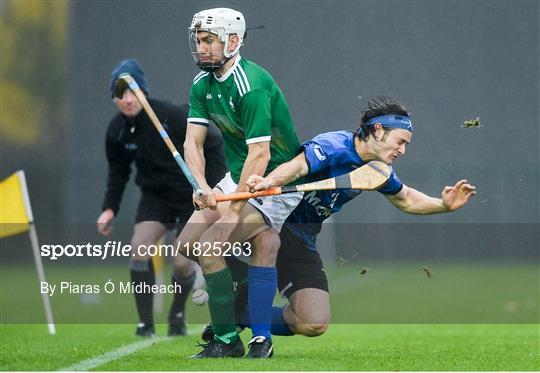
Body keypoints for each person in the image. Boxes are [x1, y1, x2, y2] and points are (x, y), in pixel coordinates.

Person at [227, 96, 475, 337]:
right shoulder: (334, 145)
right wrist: (269, 180)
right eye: (400, 142)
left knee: (313, 322)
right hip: (272, 223)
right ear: (378, 130)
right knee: (204, 246)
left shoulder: (377, 170)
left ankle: (238, 315)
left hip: (302, 239)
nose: (403, 150)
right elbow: (299, 165)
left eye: (406, 144)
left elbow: (407, 199)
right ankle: (231, 317)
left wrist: (443, 204)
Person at [177, 8, 302, 358]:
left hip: (272, 180)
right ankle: (245, 284)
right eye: (198, 41)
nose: (201, 48)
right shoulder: (202, 85)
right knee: (187, 245)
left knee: (211, 248)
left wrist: (231, 212)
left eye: (208, 41)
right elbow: (192, 144)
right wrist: (200, 185)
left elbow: (261, 154)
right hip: (239, 175)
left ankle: (227, 340)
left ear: (232, 41)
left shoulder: (252, 85)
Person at [96, 58, 226, 337]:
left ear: (143, 92)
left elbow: (212, 141)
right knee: (139, 247)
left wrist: (214, 187)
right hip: (155, 196)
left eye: (133, 92)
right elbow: (118, 173)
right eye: (120, 95)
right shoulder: (116, 131)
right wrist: (109, 209)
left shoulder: (170, 115)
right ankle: (145, 323)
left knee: (181, 261)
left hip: (190, 196)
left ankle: (177, 312)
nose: (127, 100)